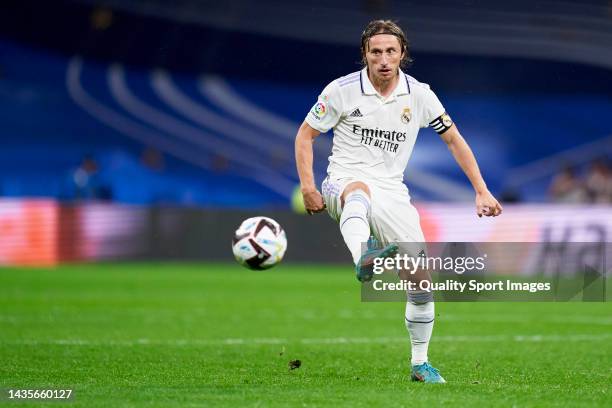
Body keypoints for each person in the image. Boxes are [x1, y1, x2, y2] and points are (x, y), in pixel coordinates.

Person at [294, 20, 502, 384]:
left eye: (391, 51)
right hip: (342, 181)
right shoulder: (341, 90)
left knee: (421, 283)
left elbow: (453, 139)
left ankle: (420, 364)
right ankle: (363, 254)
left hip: (393, 193)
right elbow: (305, 135)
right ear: (365, 55)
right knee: (358, 190)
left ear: (403, 54)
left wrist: (481, 189)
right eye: (376, 52)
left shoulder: (419, 95)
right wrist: (308, 186)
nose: (384, 59)